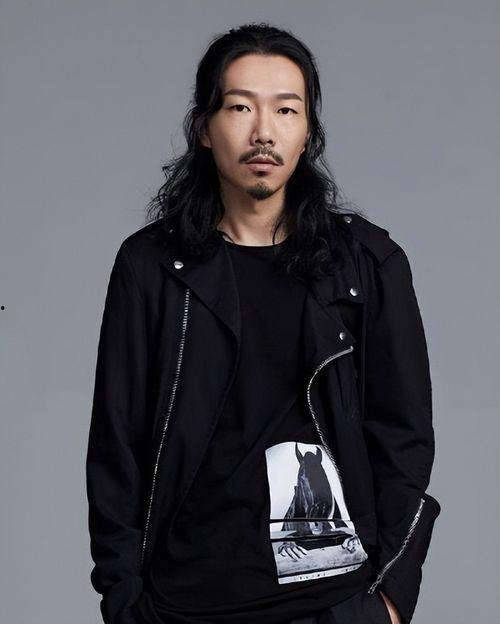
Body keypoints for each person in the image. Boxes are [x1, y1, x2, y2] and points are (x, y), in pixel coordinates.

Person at [85, 23, 441, 624]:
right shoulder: (150, 267)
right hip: (184, 604)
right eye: (240, 107)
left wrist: (388, 600)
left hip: (332, 601)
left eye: (286, 110)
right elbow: (116, 443)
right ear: (204, 128)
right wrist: (123, 602)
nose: (263, 132)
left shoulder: (366, 265)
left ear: (308, 133)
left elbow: (404, 438)